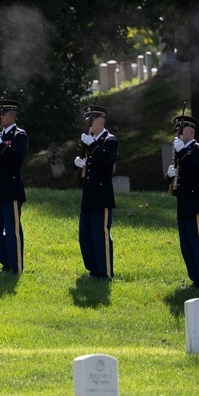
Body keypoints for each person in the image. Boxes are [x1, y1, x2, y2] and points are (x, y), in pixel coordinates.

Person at [166, 114, 199, 289]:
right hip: (183, 205)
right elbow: (180, 179)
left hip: (196, 204)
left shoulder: (198, 149)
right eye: (176, 131)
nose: (177, 134)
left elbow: (197, 170)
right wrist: (169, 175)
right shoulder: (180, 153)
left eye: (181, 130)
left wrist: (183, 153)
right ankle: (195, 279)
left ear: (190, 132)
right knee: (187, 247)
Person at [74, 104, 118, 279]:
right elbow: (86, 164)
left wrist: (92, 144)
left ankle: (105, 272)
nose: (89, 123)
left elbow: (107, 160)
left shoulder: (109, 140)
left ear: (102, 121)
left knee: (101, 236)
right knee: (85, 235)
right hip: (88, 195)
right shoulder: (88, 140)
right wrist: (77, 163)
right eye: (88, 120)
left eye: (92, 120)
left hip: (101, 195)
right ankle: (93, 269)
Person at [0, 98, 27, 274]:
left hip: (12, 189)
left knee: (12, 230)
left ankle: (16, 267)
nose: (0, 117)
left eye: (3, 114)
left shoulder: (19, 135)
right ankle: (6, 263)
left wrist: (0, 145)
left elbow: (17, 157)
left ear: (12, 115)